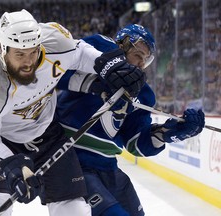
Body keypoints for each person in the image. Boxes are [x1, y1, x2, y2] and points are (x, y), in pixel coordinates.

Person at [0, 10, 147, 216]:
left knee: (74, 209)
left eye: (33, 52)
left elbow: (78, 52)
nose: (28, 62)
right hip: (2, 143)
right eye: (20, 54)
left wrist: (110, 67)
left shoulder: (54, 40)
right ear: (2, 49)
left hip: (48, 138)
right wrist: (12, 166)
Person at [56, 24, 205, 216]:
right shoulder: (99, 49)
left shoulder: (143, 94)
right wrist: (99, 86)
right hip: (72, 160)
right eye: (138, 54)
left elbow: (135, 144)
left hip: (108, 167)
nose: (142, 63)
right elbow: (55, 73)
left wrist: (170, 133)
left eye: (146, 59)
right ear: (123, 45)